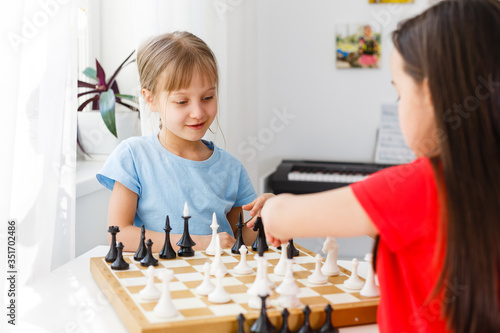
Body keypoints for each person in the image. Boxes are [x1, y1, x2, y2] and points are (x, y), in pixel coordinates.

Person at [258, 1, 500, 332]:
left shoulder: (415, 186)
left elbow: (280, 218)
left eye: (399, 94)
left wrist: (273, 206)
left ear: (429, 93)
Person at [97, 31, 259, 252]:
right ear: (150, 99)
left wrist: (271, 218)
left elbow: (241, 238)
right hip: (157, 282)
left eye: (208, 98)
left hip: (217, 282)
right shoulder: (133, 156)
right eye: (182, 101)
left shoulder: (232, 169)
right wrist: (198, 243)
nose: (198, 112)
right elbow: (120, 235)